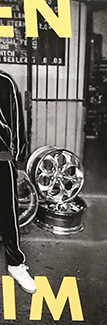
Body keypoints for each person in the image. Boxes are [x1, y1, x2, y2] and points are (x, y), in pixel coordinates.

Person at [0, 70, 36, 294]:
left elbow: (17, 123)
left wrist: (20, 162)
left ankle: (15, 264)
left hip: (1, 158)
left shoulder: (4, 82)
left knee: (7, 212)